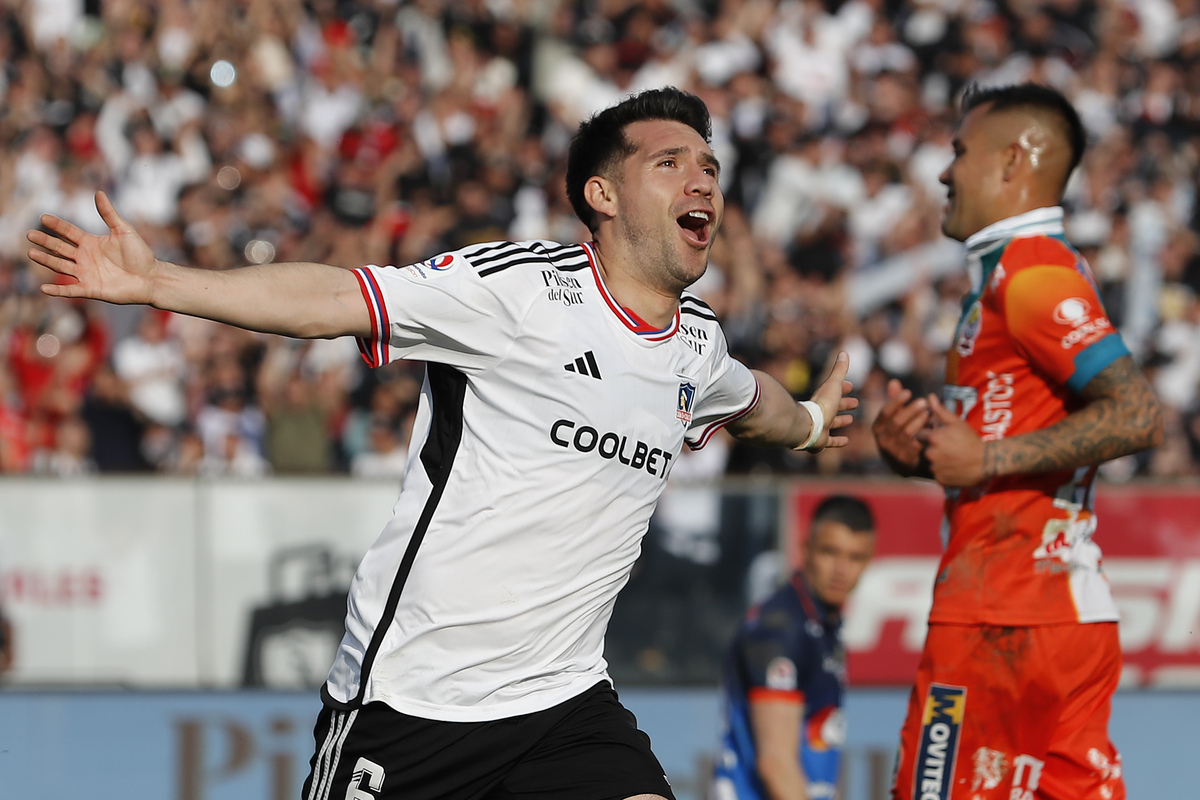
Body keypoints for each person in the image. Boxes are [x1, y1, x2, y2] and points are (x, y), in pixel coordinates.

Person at [27, 87, 858, 800]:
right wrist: (159, 282)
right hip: (413, 700)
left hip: (564, 703)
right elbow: (332, 301)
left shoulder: (699, 347)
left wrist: (816, 425)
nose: (703, 176)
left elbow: (759, 408)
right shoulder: (517, 294)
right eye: (671, 162)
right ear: (602, 196)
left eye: (708, 164)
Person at [871, 83, 1163, 800]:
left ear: (1013, 162)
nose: (944, 173)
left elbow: (1136, 414)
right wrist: (919, 454)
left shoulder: (1032, 276)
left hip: (1002, 622)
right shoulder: (1012, 275)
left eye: (959, 153)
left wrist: (987, 458)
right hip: (1046, 619)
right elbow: (1005, 434)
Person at [712, 494, 876, 800]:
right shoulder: (781, 629)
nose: (841, 569)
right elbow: (776, 765)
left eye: (855, 558)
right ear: (806, 548)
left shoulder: (824, 622)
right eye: (830, 552)